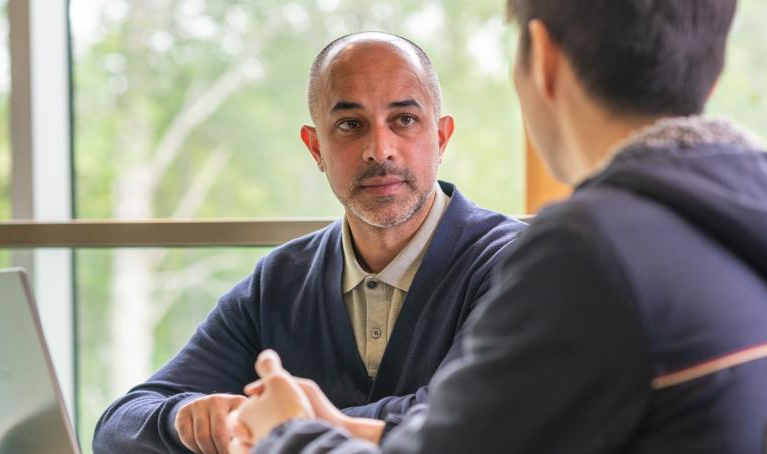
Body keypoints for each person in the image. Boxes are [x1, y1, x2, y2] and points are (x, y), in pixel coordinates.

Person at [227, 0, 767, 452]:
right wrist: (344, 429)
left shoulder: (590, 251)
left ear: (544, 61)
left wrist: (286, 432)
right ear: (712, 73)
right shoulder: (726, 220)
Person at [92, 32, 525, 454]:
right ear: (315, 147)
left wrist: (279, 425)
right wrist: (186, 418)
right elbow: (118, 427)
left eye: (404, 120)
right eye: (350, 124)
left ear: (442, 137)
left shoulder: (516, 263)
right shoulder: (279, 281)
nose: (380, 148)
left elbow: (467, 422)